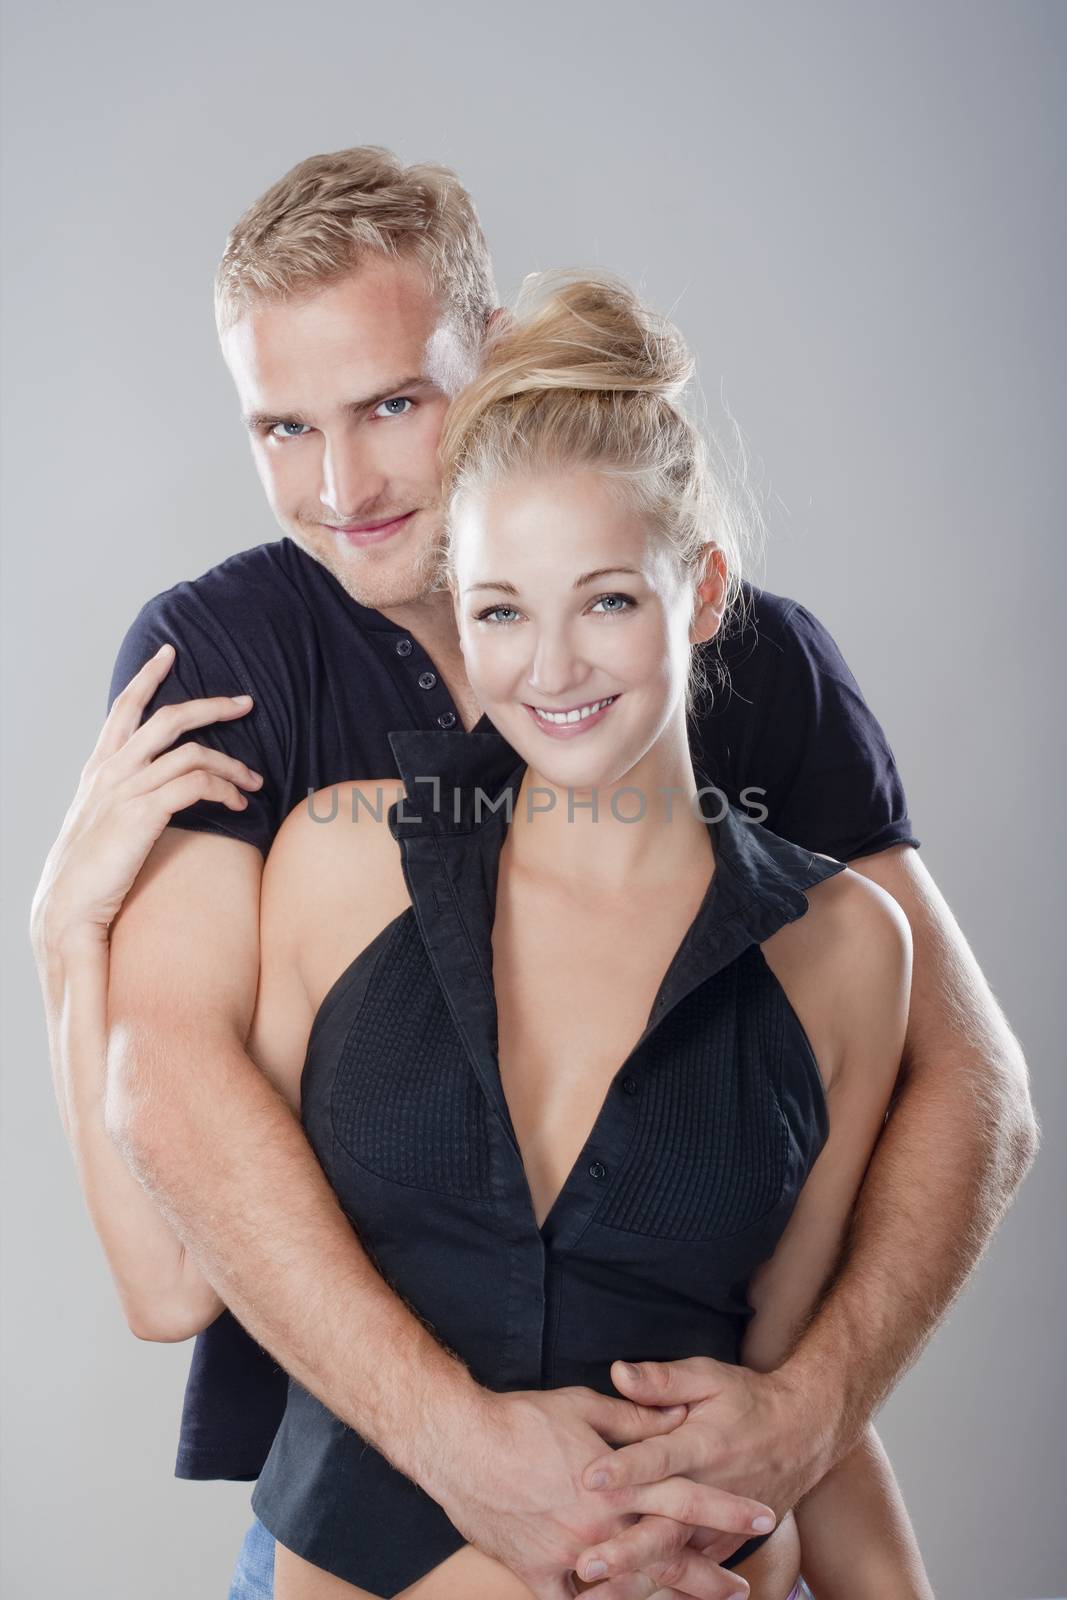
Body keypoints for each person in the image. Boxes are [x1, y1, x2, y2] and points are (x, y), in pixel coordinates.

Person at [28, 148, 1037, 1598]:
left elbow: (971, 1089)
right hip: (361, 1503)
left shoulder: (748, 671)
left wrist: (803, 1421)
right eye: (282, 429)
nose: (343, 486)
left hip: (687, 1525)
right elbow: (170, 1158)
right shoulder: (237, 675)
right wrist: (66, 942)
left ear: (490, 357)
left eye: (391, 403)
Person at [240, 270, 934, 1600]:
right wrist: (61, 932)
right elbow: (209, 1264)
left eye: (606, 600)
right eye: (501, 609)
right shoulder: (341, 865)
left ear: (706, 592)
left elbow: (789, 1400)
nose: (550, 670)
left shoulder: (848, 950)